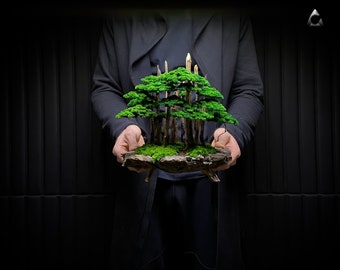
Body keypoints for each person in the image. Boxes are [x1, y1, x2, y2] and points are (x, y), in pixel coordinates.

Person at [91, 7, 263, 270]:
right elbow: (105, 86)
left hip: (211, 180)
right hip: (142, 179)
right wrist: (123, 126)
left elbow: (248, 88)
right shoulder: (121, 15)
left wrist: (234, 133)